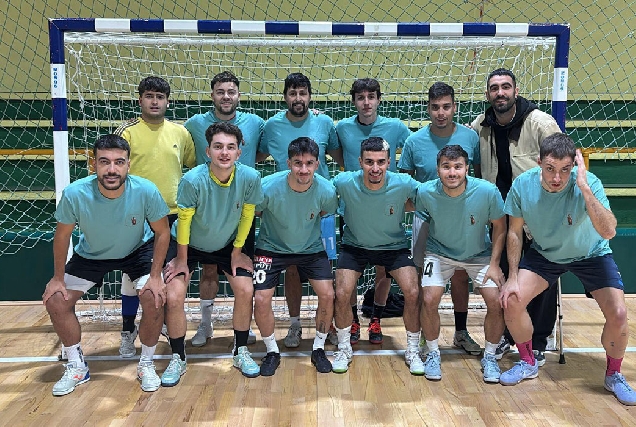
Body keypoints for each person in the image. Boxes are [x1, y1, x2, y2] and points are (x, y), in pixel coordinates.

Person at [498, 133, 636, 406]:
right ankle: (528, 361)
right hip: (545, 254)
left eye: (564, 170)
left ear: (574, 166)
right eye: (550, 168)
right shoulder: (522, 185)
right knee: (511, 299)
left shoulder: (588, 183)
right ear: (539, 162)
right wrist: (512, 276)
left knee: (619, 314)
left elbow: (609, 231)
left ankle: (613, 375)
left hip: (592, 254)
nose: (557, 178)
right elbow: (514, 232)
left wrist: (583, 188)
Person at [43, 134, 171, 395]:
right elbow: (62, 236)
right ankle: (77, 366)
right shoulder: (75, 193)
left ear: (128, 165)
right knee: (56, 301)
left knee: (154, 297)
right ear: (94, 164)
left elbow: (163, 232)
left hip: (136, 251)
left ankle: (146, 363)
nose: (112, 169)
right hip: (91, 255)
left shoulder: (146, 190)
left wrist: (156, 275)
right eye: (104, 162)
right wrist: (57, 278)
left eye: (119, 162)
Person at [471, 68, 562, 363]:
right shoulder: (480, 126)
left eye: (506, 87)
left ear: (516, 90)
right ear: (488, 94)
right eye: (494, 88)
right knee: (503, 275)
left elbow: (563, 162)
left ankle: (539, 339)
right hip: (501, 216)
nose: (500, 92)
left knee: (541, 277)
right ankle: (507, 336)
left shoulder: (540, 123)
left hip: (537, 214)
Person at [162, 122, 263, 382]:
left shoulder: (250, 177)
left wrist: (237, 251)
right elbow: (184, 221)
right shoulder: (192, 180)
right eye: (218, 147)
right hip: (187, 243)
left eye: (230, 147)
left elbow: (248, 215)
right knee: (174, 295)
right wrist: (181, 259)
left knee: (245, 289)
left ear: (239, 152)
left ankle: (240, 350)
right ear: (208, 151)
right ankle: (178, 357)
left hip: (227, 243)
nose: (224, 153)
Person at [113, 76, 196, 359]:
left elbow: (193, 164)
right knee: (132, 275)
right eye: (149, 96)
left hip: (171, 216)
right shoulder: (127, 132)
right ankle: (127, 331)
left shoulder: (180, 133)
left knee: (163, 275)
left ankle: (163, 325)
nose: (155, 101)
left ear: (167, 102)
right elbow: (113, 170)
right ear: (140, 100)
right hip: (136, 215)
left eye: (160, 97)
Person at [398, 82, 482, 356]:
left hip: (462, 219)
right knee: (425, 281)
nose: (441, 113)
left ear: (455, 107)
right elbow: (405, 184)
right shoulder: (413, 142)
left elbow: (478, 176)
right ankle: (425, 336)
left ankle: (461, 332)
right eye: (435, 107)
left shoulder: (470, 138)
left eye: (446, 106)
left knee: (460, 275)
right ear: (428, 109)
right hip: (426, 220)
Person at [260, 72, 343, 349]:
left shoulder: (324, 122)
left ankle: (329, 325)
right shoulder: (272, 126)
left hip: (318, 207)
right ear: (285, 96)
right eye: (293, 93)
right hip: (285, 207)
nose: (298, 98)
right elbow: (257, 155)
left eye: (303, 93)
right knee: (292, 270)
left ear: (310, 96)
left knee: (326, 270)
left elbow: (339, 156)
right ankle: (294, 324)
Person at [184, 71, 264, 347]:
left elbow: (264, 150)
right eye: (220, 92)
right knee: (208, 271)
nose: (226, 96)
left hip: (240, 210)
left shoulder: (255, 122)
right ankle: (205, 325)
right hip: (207, 209)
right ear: (212, 95)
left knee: (242, 273)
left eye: (231, 91)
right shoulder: (194, 123)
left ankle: (242, 329)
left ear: (239, 95)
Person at [331, 137, 423, 375]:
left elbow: (431, 195)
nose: (375, 168)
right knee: (341, 292)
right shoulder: (343, 182)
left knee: (413, 291)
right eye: (369, 162)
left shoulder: (403, 183)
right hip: (355, 246)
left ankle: (413, 350)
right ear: (360, 161)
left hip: (393, 246)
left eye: (381, 162)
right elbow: (317, 191)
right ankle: (344, 348)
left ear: (389, 162)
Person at [416, 145, 506, 383]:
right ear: (438, 169)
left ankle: (490, 356)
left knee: (496, 301)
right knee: (429, 299)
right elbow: (419, 221)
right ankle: (433, 353)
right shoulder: (425, 192)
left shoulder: (487, 191)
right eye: (446, 167)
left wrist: (495, 264)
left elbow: (500, 226)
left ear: (467, 168)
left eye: (458, 167)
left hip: (479, 254)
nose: (452, 172)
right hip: (438, 252)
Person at [335, 78, 412, 344]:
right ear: (354, 101)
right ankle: (353, 320)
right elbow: (334, 153)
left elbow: (412, 150)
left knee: (383, 269)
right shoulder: (342, 128)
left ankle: (376, 319)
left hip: (386, 206)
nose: (366, 102)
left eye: (371, 97)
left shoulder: (396, 127)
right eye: (360, 97)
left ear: (379, 99)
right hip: (353, 205)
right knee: (350, 271)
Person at [253, 137, 338, 376]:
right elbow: (256, 212)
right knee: (261, 298)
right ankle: (272, 351)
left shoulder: (326, 190)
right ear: (288, 163)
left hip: (311, 248)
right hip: (270, 247)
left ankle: (318, 348)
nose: (303, 169)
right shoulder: (267, 187)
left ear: (317, 164)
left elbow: (324, 213)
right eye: (298, 163)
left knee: (328, 294)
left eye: (309, 163)